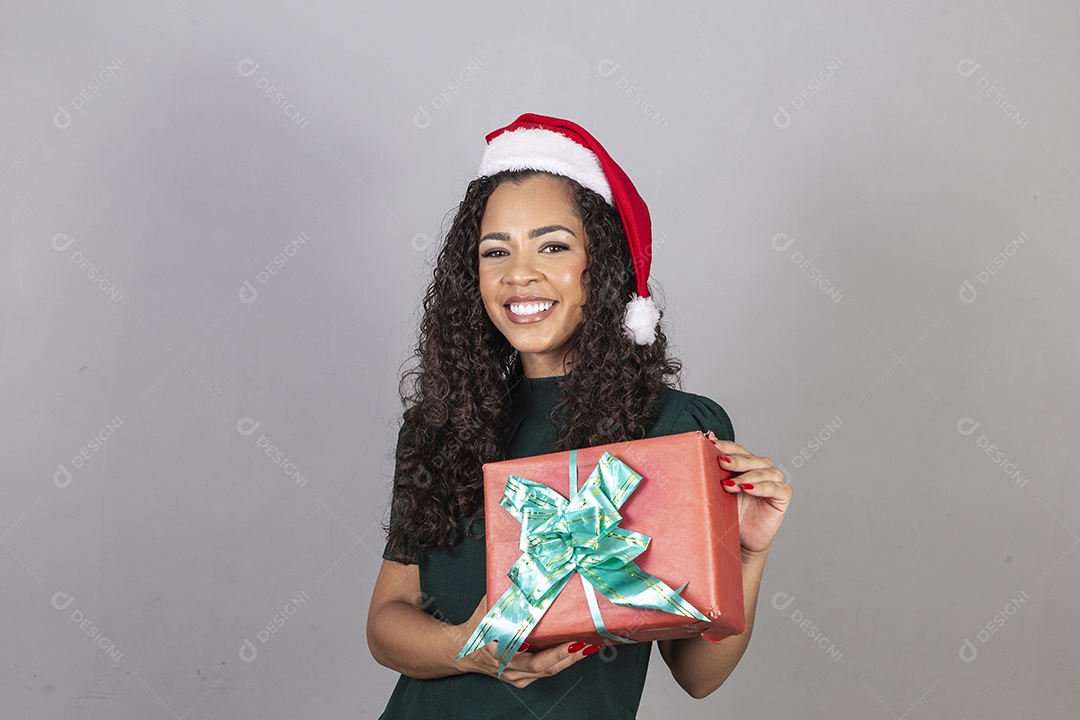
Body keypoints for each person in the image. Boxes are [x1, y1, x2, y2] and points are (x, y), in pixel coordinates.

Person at [367, 113, 792, 719]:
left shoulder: (675, 428)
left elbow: (698, 675)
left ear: (604, 265)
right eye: (496, 251)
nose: (520, 273)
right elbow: (387, 621)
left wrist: (748, 556)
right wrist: (470, 649)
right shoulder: (440, 426)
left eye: (553, 245)